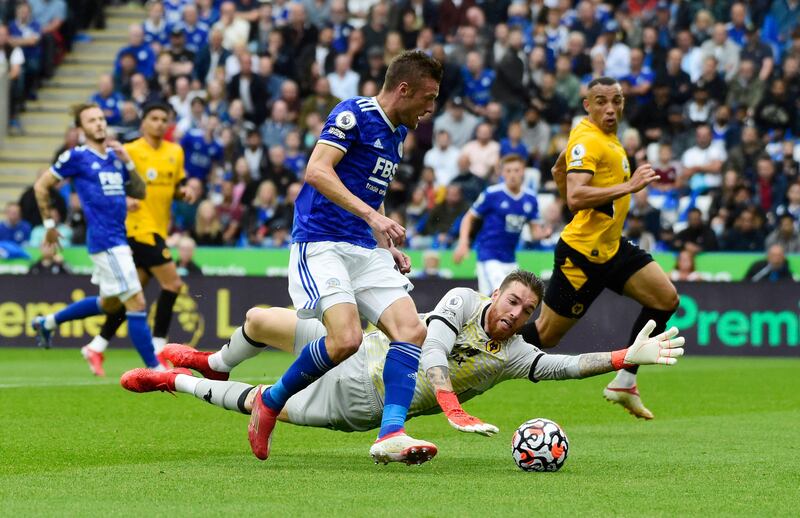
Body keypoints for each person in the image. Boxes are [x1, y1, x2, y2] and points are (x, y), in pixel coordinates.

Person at [121, 271, 684, 440]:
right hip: (365, 348)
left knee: (256, 402)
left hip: (361, 402)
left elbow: (559, 367)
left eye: (527, 311)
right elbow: (431, 349)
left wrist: (622, 356)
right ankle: (212, 361)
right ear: (496, 295)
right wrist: (452, 406)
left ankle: (173, 383)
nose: (515, 314)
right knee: (258, 320)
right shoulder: (463, 300)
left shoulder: (514, 352)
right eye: (512, 301)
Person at [232, 50, 442, 464]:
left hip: (363, 245)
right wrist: (371, 218)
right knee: (345, 340)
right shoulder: (353, 114)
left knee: (411, 330)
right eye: (428, 97)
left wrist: (386, 240)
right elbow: (317, 171)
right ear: (403, 89)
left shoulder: (397, 134)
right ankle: (270, 401)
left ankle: (391, 433)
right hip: (321, 241)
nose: (431, 108)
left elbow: (369, 195)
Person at [520, 77, 680, 420]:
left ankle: (624, 381)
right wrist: (631, 185)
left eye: (617, 101)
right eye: (602, 101)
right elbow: (576, 196)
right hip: (581, 254)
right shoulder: (588, 139)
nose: (611, 108)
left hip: (611, 246)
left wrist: (566, 177)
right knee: (545, 336)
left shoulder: (603, 138)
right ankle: (475, 346)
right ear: (587, 105)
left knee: (665, 299)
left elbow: (560, 168)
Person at [30, 104, 162, 372]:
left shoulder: (115, 156)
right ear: (81, 129)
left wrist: (128, 161)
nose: (99, 124)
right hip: (106, 241)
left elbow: (140, 192)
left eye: (101, 119)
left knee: (109, 304)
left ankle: (47, 323)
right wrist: (49, 223)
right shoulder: (76, 157)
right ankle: (157, 371)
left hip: (118, 238)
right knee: (136, 301)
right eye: (92, 121)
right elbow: (41, 185)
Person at [81, 102, 199, 377]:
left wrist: (185, 192)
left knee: (130, 294)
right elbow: (106, 183)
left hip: (157, 229)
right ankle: (158, 348)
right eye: (154, 118)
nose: (159, 123)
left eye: (163, 119)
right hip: (135, 229)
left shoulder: (175, 152)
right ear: (143, 122)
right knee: (173, 283)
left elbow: (175, 187)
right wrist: (126, 198)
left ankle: (96, 345)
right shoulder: (130, 150)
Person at [453, 154, 540, 295]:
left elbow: (535, 232)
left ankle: (472, 308)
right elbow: (469, 217)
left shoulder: (531, 199)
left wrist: (544, 234)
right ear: (502, 173)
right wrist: (463, 242)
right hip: (488, 255)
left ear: (523, 171)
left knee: (488, 299)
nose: (512, 175)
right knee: (505, 293)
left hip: (510, 258)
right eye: (508, 170)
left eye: (516, 170)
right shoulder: (492, 194)